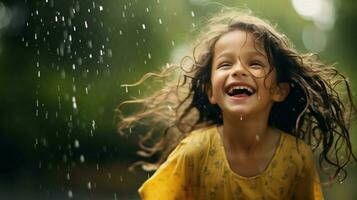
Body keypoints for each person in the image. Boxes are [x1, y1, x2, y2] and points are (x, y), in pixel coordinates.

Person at [116, 9, 356, 200]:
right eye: (225, 65)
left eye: (255, 63)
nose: (239, 70)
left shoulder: (296, 158)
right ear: (211, 92)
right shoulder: (194, 152)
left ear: (279, 90)